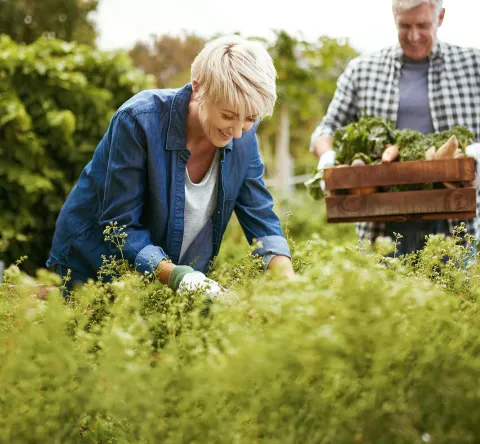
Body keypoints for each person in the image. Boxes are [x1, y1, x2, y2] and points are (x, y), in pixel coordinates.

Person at [47, 35, 295, 295]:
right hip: (93, 268)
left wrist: (288, 283)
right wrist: (180, 277)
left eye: (250, 118)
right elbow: (120, 227)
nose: (236, 132)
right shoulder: (138, 121)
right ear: (198, 89)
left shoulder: (245, 136)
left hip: (168, 277)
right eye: (228, 116)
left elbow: (261, 217)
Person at [310, 0, 480, 256]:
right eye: (404, 26)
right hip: (380, 221)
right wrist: (328, 157)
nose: (413, 36)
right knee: (386, 295)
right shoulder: (363, 70)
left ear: (441, 17)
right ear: (394, 18)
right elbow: (327, 129)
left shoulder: (474, 65)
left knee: (458, 293)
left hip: (460, 220)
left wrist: (476, 154)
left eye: (422, 25)